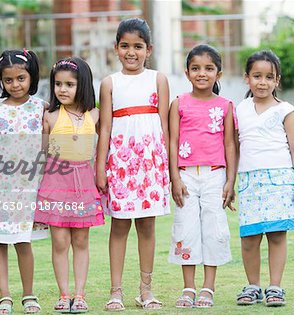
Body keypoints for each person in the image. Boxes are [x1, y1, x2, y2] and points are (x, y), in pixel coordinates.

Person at [96, 18, 170, 311]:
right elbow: (104, 128)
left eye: (138, 46)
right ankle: (116, 292)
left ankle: (146, 290)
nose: (131, 52)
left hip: (150, 163)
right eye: (125, 46)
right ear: (116, 48)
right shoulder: (109, 83)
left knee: (147, 226)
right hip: (121, 164)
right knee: (119, 226)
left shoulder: (158, 79)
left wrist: (169, 167)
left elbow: (164, 124)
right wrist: (100, 166)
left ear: (148, 49)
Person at [235, 50, 294, 307]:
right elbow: (233, 148)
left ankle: (275, 287)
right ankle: (253, 286)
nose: (262, 82)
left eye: (269, 77)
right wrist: (229, 184)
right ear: (247, 78)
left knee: (277, 235)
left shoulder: (286, 111)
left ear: (277, 80)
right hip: (249, 182)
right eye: (257, 76)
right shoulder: (239, 110)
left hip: (280, 180)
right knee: (249, 238)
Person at [0, 49, 47, 314]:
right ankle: (4, 296)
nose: (15, 84)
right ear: (0, 81)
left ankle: (29, 294)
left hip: (26, 188)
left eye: (21, 78)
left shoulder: (41, 108)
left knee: (22, 240)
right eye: (9, 80)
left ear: (31, 77)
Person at [168, 44, 237, 308]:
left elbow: (230, 144)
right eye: (196, 68)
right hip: (185, 176)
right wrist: (175, 178)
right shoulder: (179, 103)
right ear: (187, 73)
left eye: (209, 69)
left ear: (218, 73)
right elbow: (173, 141)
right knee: (186, 228)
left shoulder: (226, 106)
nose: (202, 73)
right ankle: (188, 287)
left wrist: (230, 180)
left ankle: (208, 287)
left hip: (215, 176)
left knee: (213, 229)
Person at [34, 57, 104, 313]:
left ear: (82, 85)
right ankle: (64, 294)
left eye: (70, 84)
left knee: (81, 241)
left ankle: (80, 294)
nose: (62, 90)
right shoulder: (50, 117)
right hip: (55, 184)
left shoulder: (94, 115)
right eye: (58, 84)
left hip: (84, 184)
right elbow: (42, 155)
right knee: (60, 242)